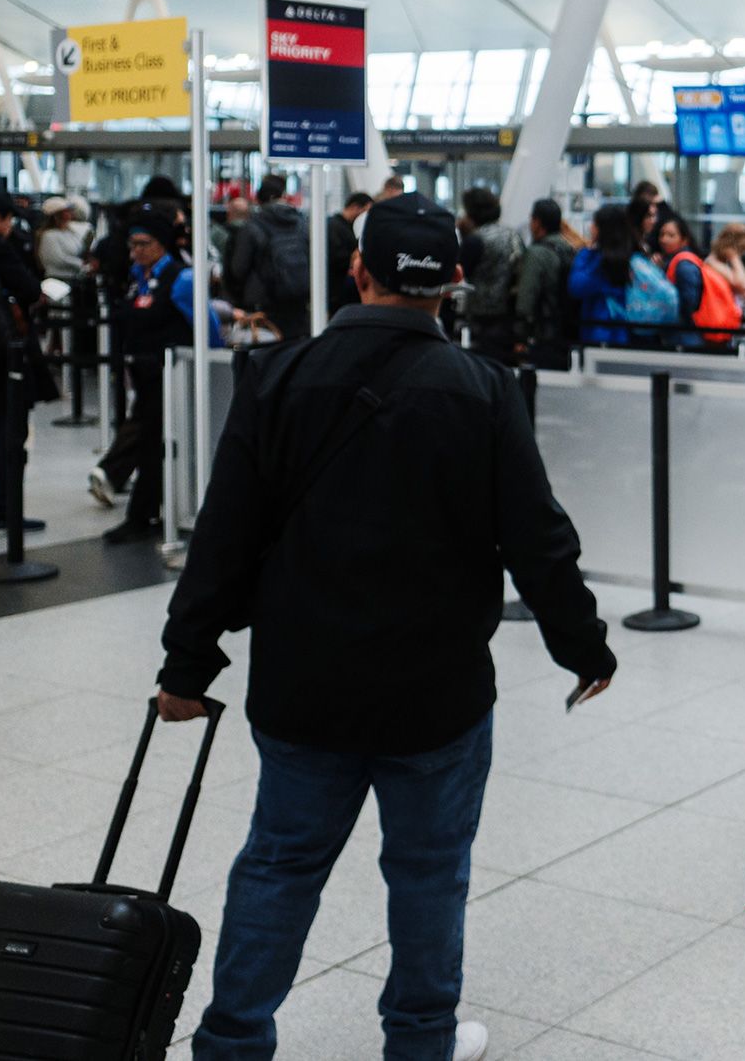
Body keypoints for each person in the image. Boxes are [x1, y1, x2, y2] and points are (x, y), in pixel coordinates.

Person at [155, 192, 616, 1061]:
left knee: (280, 863)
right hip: (434, 692)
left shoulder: (275, 376)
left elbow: (224, 534)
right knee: (429, 871)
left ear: (358, 270)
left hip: (302, 685)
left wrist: (187, 664)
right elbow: (537, 537)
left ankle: (233, 1041)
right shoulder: (483, 388)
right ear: (453, 280)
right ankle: (419, 1041)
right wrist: (582, 646)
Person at [103, 212, 222, 544]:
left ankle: (142, 515)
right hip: (143, 375)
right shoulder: (137, 277)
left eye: (144, 244)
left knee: (155, 443)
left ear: (162, 244)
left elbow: (207, 326)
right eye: (133, 245)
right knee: (148, 443)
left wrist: (213, 367)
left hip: (172, 377)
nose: (136, 252)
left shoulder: (181, 279)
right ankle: (149, 511)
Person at [0, 191, 53, 533]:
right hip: (4, 354)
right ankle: (3, 509)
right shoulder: (0, 248)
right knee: (10, 430)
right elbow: (28, 287)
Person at [567, 204, 675, 346]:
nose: (591, 227)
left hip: (602, 333)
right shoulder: (636, 258)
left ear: (603, 229)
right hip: (636, 333)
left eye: (594, 224)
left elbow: (577, 286)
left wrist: (586, 254)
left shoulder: (600, 260)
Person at [226, 173, 311, 341]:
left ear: (259, 199)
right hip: (299, 304)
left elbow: (238, 269)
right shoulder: (301, 223)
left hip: (264, 308)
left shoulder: (252, 227)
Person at [457, 187, 524, 365]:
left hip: (481, 313)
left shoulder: (475, 240)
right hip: (509, 312)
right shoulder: (513, 235)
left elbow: (461, 272)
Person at [655, 217, 740, 346]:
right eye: (661, 234)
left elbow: (689, 304)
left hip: (687, 335)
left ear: (684, 240)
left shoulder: (684, 265)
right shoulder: (676, 261)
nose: (664, 239)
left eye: (671, 235)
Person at [514, 198, 577, 370]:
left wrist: (520, 336)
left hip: (543, 333)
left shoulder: (536, 254)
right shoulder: (569, 248)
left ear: (537, 222)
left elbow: (526, 298)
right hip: (568, 330)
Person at [326, 192, 374, 317]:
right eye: (365, 211)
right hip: (337, 292)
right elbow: (335, 258)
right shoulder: (333, 227)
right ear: (355, 207)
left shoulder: (347, 227)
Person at [35, 195, 90, 285]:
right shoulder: (49, 235)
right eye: (66, 211)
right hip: (57, 280)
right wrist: (81, 265)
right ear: (57, 215)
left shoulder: (70, 232)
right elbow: (59, 259)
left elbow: (80, 249)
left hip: (73, 278)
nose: (70, 213)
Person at [707, 223, 745, 310]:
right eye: (739, 250)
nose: (740, 255)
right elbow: (743, 285)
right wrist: (733, 256)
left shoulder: (722, 262)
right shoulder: (712, 262)